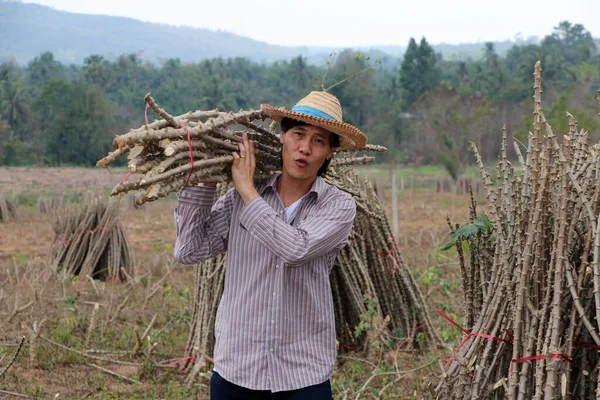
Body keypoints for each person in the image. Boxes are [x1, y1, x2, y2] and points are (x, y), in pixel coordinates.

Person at [174, 91, 367, 399]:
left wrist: (247, 190)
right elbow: (188, 250)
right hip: (237, 366)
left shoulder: (338, 207)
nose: (304, 148)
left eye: (319, 141)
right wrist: (206, 178)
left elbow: (295, 249)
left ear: (331, 152)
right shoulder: (240, 198)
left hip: (302, 373)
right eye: (298, 134)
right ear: (282, 136)